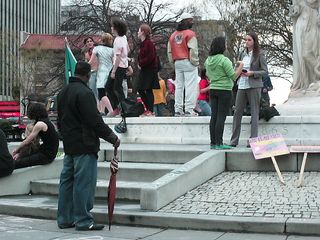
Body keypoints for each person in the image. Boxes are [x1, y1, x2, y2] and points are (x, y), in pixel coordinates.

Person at [57, 61, 120, 231]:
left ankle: (64, 218)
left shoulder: (63, 92)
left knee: (67, 181)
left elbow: (59, 120)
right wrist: (112, 137)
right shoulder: (85, 93)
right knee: (83, 183)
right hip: (85, 144)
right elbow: (94, 120)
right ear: (87, 75)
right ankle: (84, 220)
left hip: (70, 144)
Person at [230, 32, 268, 147]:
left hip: (254, 85)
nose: (246, 42)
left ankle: (253, 141)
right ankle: (233, 141)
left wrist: (252, 73)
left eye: (249, 40)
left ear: (254, 41)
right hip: (241, 85)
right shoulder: (242, 54)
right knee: (237, 113)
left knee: (254, 112)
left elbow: (265, 71)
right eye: (245, 40)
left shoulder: (260, 54)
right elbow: (238, 68)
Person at [205, 37, 243, 150]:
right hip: (225, 90)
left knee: (214, 116)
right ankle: (219, 143)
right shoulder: (224, 60)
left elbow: (208, 75)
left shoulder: (208, 60)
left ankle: (213, 143)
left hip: (213, 89)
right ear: (222, 46)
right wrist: (240, 66)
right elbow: (234, 76)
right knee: (221, 117)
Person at [167, 13, 199, 116]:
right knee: (190, 85)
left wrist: (173, 63)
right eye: (191, 20)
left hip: (177, 62)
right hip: (188, 61)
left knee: (179, 86)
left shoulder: (173, 35)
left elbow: (169, 52)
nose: (192, 22)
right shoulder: (190, 34)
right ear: (186, 21)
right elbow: (193, 50)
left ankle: (178, 109)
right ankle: (189, 109)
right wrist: (195, 62)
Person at [12, 102, 59, 169]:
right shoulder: (46, 121)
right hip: (46, 151)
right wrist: (20, 154)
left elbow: (27, 141)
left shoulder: (40, 124)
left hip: (46, 155)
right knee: (20, 159)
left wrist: (16, 150)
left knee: (17, 164)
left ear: (34, 112)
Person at [106, 18, 129, 113]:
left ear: (116, 28)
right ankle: (117, 107)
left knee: (116, 88)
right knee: (110, 87)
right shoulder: (124, 38)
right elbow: (127, 49)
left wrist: (113, 71)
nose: (111, 28)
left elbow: (118, 57)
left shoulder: (118, 40)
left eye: (112, 27)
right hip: (122, 65)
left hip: (119, 66)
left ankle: (123, 108)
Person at [137, 24, 160, 116]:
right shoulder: (142, 44)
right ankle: (148, 109)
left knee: (148, 89)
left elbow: (151, 56)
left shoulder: (149, 43)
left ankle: (150, 110)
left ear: (142, 32)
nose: (137, 33)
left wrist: (141, 63)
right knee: (140, 89)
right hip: (144, 69)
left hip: (149, 70)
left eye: (139, 31)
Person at [88, 33, 114, 116]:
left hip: (101, 72)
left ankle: (110, 110)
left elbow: (91, 61)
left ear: (102, 40)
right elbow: (114, 62)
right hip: (110, 71)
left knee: (101, 92)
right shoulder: (112, 50)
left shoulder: (97, 48)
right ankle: (102, 111)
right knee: (105, 92)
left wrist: (82, 66)